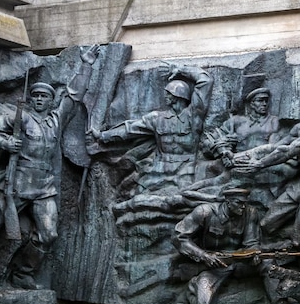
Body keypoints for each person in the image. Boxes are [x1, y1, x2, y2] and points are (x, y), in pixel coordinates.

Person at [0, 46, 100, 297]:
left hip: (44, 187)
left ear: (51, 101)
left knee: (49, 234)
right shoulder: (19, 118)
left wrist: (86, 65)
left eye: (44, 96)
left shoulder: (56, 120)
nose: (40, 99)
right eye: (36, 95)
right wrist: (5, 143)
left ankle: (23, 274)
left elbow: (73, 95)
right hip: (15, 183)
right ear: (30, 99)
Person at [89, 65, 213, 212]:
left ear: (177, 96)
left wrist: (181, 70)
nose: (165, 96)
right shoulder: (156, 118)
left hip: (186, 172)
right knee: (137, 200)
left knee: (181, 205)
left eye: (168, 93)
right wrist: (103, 136)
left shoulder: (193, 116)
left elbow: (206, 80)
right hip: (158, 171)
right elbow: (130, 129)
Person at [234, 91, 300, 249]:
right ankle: (297, 241)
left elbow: (288, 151)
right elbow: (276, 147)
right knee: (265, 225)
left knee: (298, 239)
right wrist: (241, 156)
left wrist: (260, 164)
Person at [172, 187, 294, 304]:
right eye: (239, 203)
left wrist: (254, 253)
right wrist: (204, 256)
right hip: (214, 266)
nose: (243, 207)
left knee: (268, 263)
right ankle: (193, 286)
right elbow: (178, 237)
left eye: (245, 203)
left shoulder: (250, 212)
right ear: (228, 202)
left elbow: (251, 242)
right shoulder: (205, 212)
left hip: (240, 262)